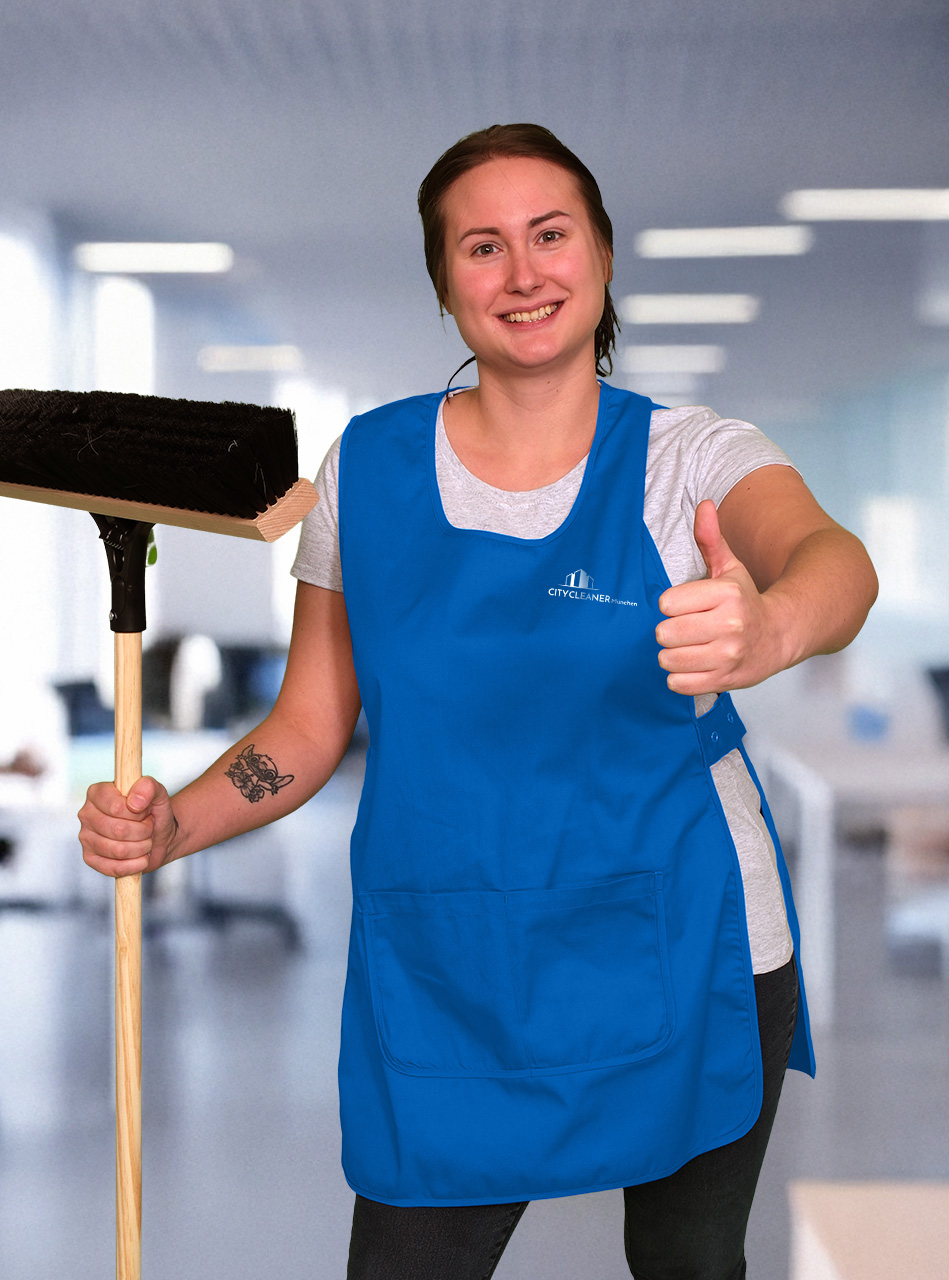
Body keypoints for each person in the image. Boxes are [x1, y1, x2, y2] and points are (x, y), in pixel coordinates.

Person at [78, 123, 878, 1279]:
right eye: (481, 246)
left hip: (677, 928)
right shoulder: (366, 468)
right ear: (444, 284)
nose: (521, 272)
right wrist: (174, 825)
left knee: (688, 1261)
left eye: (549, 234)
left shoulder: (687, 457)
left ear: (601, 256)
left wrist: (773, 625)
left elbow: (830, 559)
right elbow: (308, 724)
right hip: (449, 956)